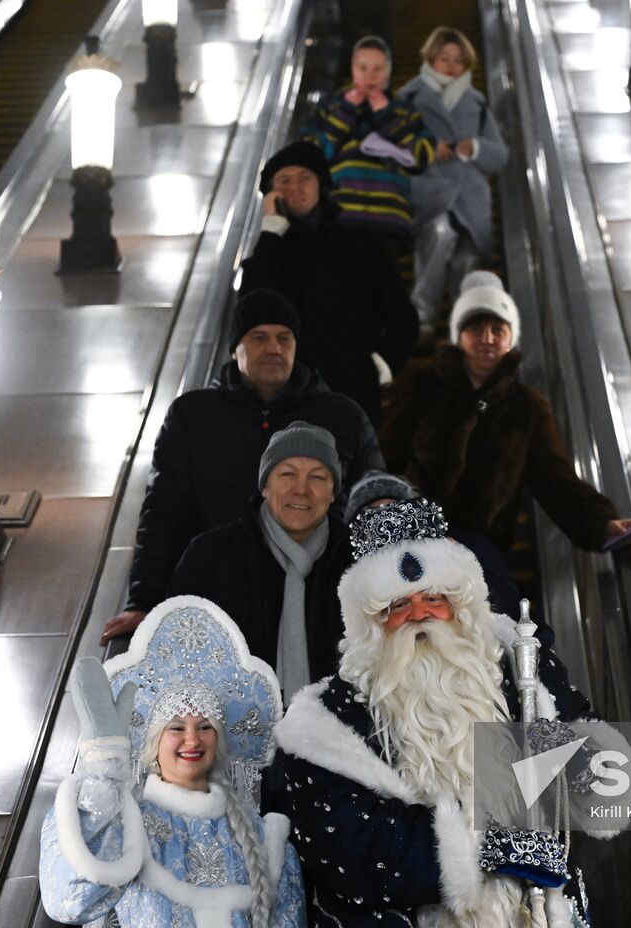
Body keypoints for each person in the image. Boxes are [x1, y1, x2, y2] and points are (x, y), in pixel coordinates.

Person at [262, 499, 631, 925]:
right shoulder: (326, 724)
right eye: (397, 606)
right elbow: (351, 850)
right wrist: (490, 844)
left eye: (434, 598)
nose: (419, 614)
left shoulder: (519, 665)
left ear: (460, 603)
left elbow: (590, 763)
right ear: (370, 624)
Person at [103, 290, 383, 644]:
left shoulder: (340, 415)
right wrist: (143, 601)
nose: (274, 348)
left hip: (322, 597)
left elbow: (374, 495)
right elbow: (163, 512)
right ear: (235, 347)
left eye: (285, 338)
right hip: (220, 595)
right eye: (259, 337)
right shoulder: (193, 416)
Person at [41, 597, 306, 927]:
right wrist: (104, 770)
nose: (192, 740)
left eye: (204, 727)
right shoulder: (121, 825)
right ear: (153, 742)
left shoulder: (265, 839)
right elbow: (69, 902)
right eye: (176, 728)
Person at [381, 284, 631, 553]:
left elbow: (554, 480)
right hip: (412, 536)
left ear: (510, 339)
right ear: (458, 337)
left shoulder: (527, 408)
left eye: (498, 330)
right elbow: (386, 457)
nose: (487, 339)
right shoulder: (422, 386)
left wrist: (600, 523)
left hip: (479, 549)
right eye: (475, 330)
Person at [164, 422, 354, 697]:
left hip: (338, 730)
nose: (301, 489)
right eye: (287, 474)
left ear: (332, 492)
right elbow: (176, 651)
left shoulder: (358, 560)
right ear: (265, 485)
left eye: (317, 477)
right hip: (229, 729)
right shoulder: (209, 556)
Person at [241, 141, 417, 424]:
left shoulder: (362, 244)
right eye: (284, 181)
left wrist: (382, 365)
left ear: (320, 185)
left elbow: (402, 316)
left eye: (305, 178)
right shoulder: (268, 254)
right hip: (285, 398)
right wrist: (272, 233)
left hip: (353, 391)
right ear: (272, 194)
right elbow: (249, 313)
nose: (296, 187)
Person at [398, 27, 509, 329]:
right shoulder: (408, 96)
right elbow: (388, 144)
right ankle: (422, 318)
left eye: (458, 60)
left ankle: (464, 326)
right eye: (444, 58)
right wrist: (425, 148)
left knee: (467, 260)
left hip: (470, 197)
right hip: (429, 192)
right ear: (430, 58)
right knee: (439, 234)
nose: (451, 65)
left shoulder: (477, 102)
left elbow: (500, 154)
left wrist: (475, 148)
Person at [301, 36, 434, 255]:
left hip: (389, 220)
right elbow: (309, 157)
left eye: (377, 69)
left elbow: (422, 159)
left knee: (378, 287)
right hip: (340, 216)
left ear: (388, 72)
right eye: (363, 68)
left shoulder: (404, 110)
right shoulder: (331, 105)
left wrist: (386, 116)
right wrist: (345, 112)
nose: (370, 76)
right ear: (353, 68)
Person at [345, 469, 523, 620]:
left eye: (397, 510)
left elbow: (509, 611)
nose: (389, 524)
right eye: (373, 517)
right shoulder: (354, 583)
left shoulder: (467, 549)